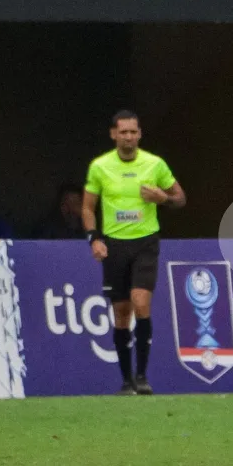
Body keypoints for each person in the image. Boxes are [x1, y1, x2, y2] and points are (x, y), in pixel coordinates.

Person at [83, 110, 185, 396]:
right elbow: (88, 207)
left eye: (133, 132)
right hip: (114, 243)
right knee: (120, 312)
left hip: (145, 241)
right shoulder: (100, 167)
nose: (128, 137)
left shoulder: (155, 164)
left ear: (140, 134)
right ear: (113, 134)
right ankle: (126, 380)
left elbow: (180, 198)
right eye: (123, 132)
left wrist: (162, 198)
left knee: (141, 302)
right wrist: (94, 239)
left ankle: (142, 376)